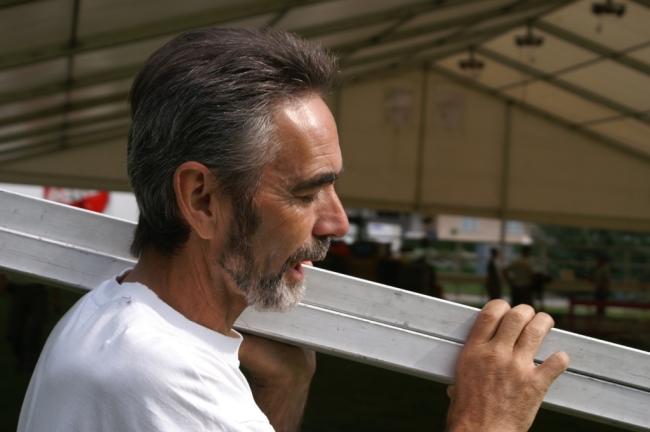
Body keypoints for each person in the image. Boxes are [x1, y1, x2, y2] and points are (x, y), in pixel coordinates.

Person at [18, 28, 568, 432]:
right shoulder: (158, 374)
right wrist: (486, 421)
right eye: (306, 193)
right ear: (202, 199)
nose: (337, 222)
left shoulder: (113, 317)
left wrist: (285, 388)